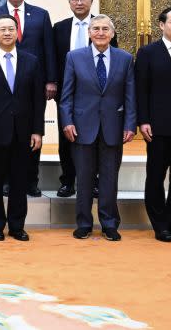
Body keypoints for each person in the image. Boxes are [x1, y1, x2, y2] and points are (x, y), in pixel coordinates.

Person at [0, 0, 55, 197]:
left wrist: (50, 80)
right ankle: (3, 182)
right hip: (1, 86)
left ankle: (31, 180)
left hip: (32, 85)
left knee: (31, 132)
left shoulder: (40, 15)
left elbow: (48, 49)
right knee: (3, 134)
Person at [59, 15, 135, 242]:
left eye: (105, 29)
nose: (100, 33)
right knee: (83, 179)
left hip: (114, 127)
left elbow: (130, 95)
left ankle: (109, 224)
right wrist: (67, 121)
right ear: (89, 33)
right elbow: (66, 96)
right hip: (82, 128)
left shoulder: (125, 58)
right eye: (96, 29)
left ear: (112, 33)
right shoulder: (74, 57)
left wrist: (130, 124)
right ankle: (83, 224)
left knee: (109, 179)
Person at [0, 14, 45, 242]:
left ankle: (16, 226)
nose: (7, 33)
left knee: (19, 182)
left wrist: (37, 130)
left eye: (11, 29)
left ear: (17, 33)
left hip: (23, 132)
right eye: (2, 29)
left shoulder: (31, 61)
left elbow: (37, 100)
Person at [52, 0, 117, 198]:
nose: (79, 3)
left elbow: (113, 59)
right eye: (75, 0)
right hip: (67, 91)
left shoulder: (102, 27)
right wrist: (52, 82)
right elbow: (53, 58)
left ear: (91, 1)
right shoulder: (59, 28)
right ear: (69, 3)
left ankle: (94, 181)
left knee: (96, 136)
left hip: (97, 92)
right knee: (67, 135)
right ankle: (68, 180)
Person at [135, 7, 171, 243]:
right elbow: (141, 90)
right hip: (158, 127)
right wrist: (143, 120)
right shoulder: (148, 52)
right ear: (161, 25)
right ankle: (160, 225)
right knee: (155, 177)